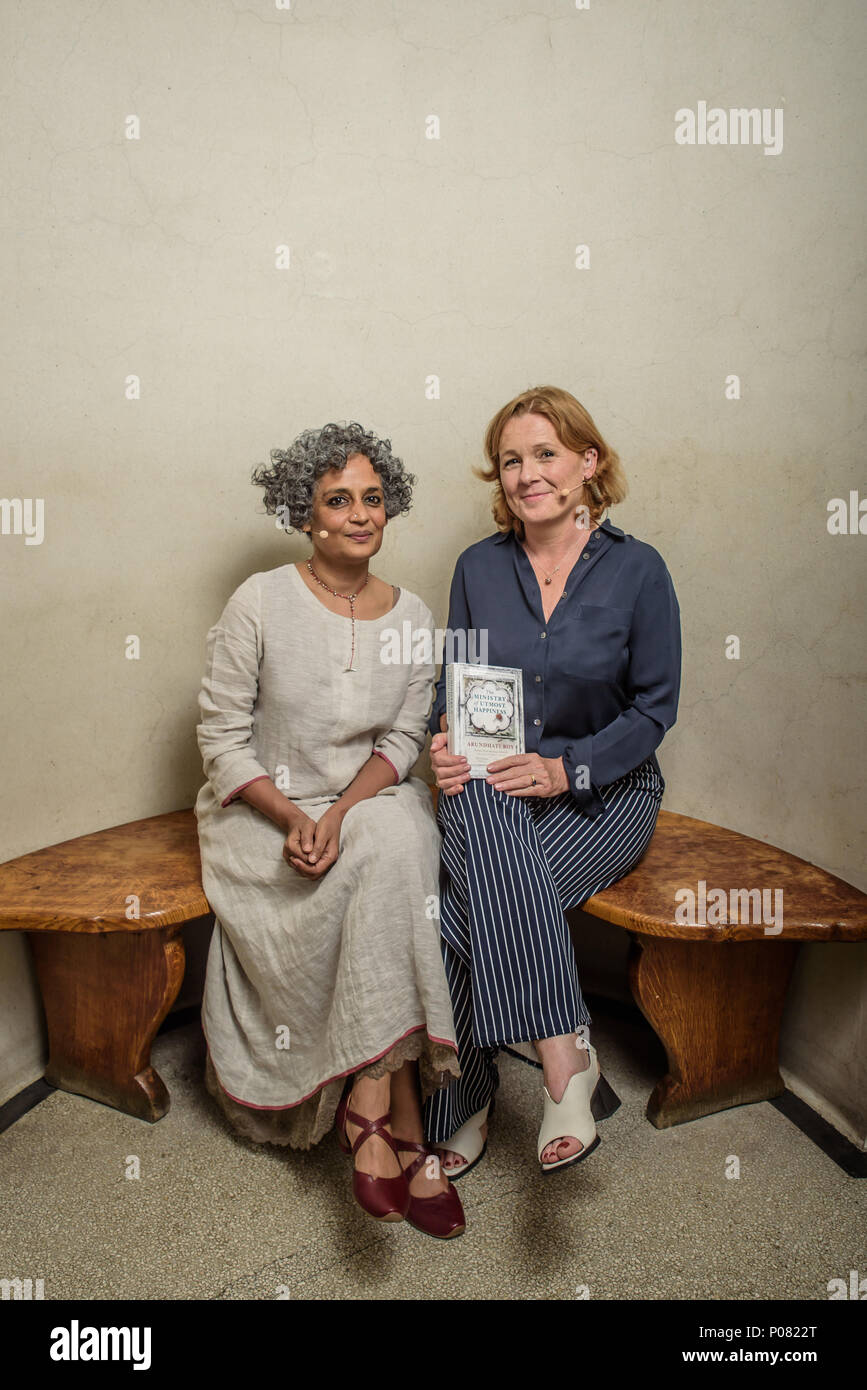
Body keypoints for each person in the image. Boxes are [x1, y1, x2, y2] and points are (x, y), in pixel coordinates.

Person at [195, 421, 465, 1238]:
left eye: (372, 499)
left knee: (393, 836)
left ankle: (373, 1096)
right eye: (336, 499)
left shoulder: (415, 614)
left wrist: (340, 812)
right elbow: (220, 739)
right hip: (258, 814)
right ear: (303, 514)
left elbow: (400, 743)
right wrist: (294, 816)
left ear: (391, 510)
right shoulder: (261, 600)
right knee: (399, 852)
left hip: (362, 803)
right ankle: (407, 1111)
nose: (358, 514)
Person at [425, 385, 682, 1176]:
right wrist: (443, 744)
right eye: (510, 459)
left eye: (545, 454)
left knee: (449, 909)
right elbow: (460, 691)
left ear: (587, 462)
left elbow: (653, 710)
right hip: (495, 788)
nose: (526, 473)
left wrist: (564, 767)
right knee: (482, 804)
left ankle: (461, 1099)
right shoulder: (477, 567)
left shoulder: (637, 570)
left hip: (605, 796)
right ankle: (566, 1056)